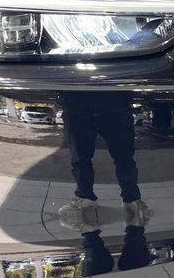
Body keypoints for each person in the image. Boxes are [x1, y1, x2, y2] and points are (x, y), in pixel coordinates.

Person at [58, 91, 151, 231]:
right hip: (83, 99)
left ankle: (131, 201)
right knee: (81, 157)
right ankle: (87, 198)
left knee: (122, 157)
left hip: (107, 97)